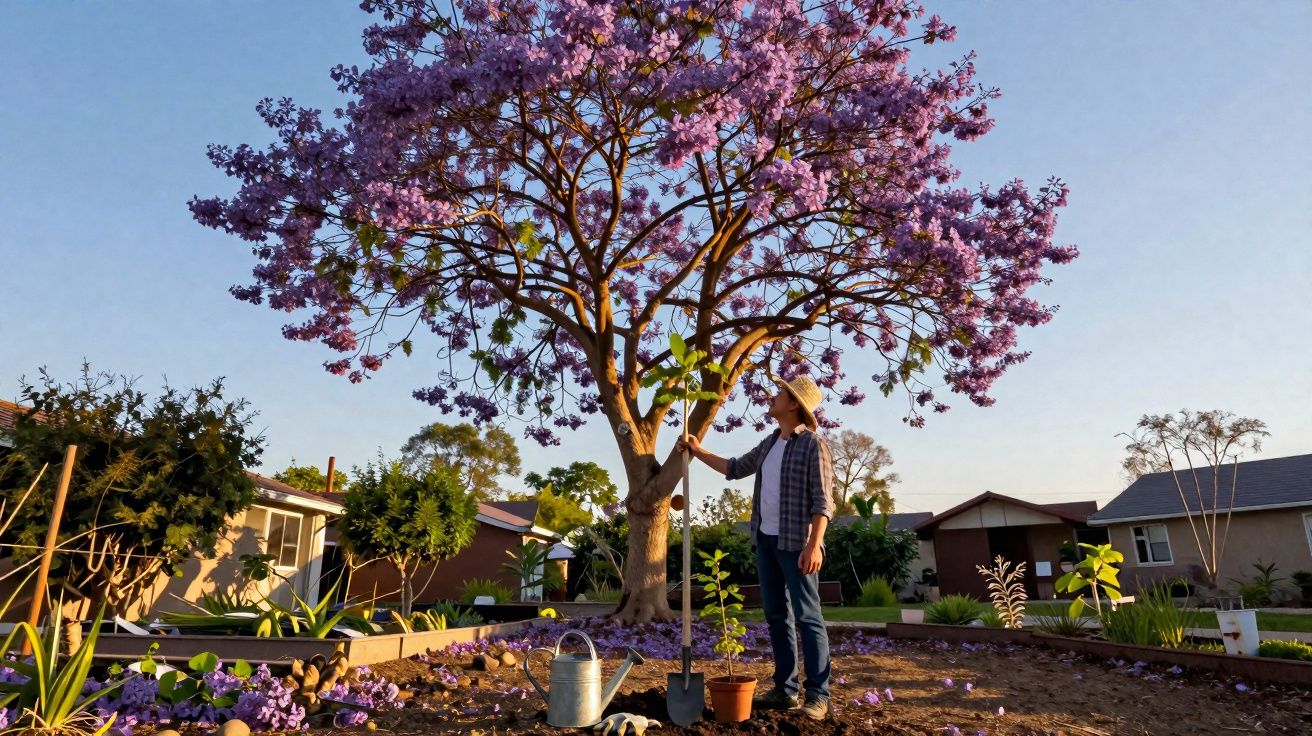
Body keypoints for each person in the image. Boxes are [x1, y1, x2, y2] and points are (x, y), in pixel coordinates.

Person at [678, 375, 835, 720]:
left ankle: (818, 696)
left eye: (780, 393)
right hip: (765, 540)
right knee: (777, 616)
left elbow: (823, 502)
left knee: (808, 618)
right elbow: (734, 469)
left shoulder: (813, 444)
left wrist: (815, 544)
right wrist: (697, 449)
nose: (773, 397)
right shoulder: (769, 443)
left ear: (793, 403)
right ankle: (785, 690)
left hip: (796, 544)